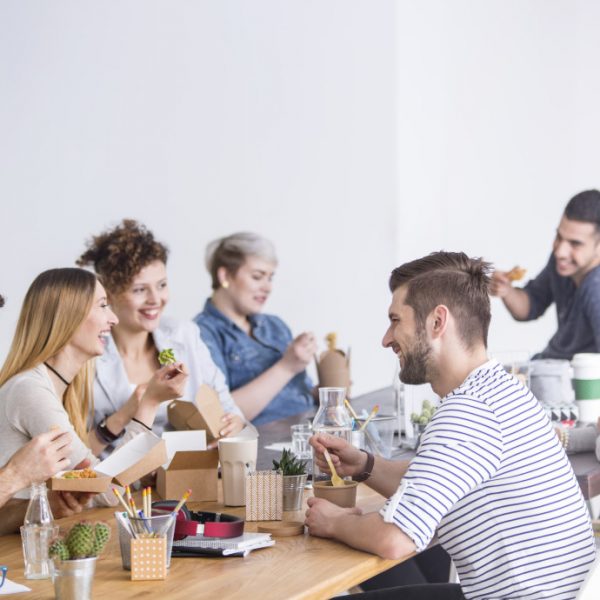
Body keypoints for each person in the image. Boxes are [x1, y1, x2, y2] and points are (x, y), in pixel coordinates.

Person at [306, 251, 595, 599]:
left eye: (396, 320)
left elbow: (395, 539)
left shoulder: (469, 411)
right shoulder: (501, 391)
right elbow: (440, 477)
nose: (386, 338)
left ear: (437, 322)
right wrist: (365, 465)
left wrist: (334, 522)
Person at [77, 220, 245, 454]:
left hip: (186, 479)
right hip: (118, 485)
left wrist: (234, 426)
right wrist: (125, 413)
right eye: (139, 289)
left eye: (162, 285)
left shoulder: (184, 335)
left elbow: (232, 412)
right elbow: (75, 456)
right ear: (109, 292)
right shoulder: (87, 353)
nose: (155, 299)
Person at [0, 268, 129, 533]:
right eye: (103, 306)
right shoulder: (29, 390)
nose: (113, 319)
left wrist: (50, 506)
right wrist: (146, 407)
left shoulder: (53, 388)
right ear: (67, 317)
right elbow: (109, 491)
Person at [194, 232, 316, 426]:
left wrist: (329, 390)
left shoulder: (275, 325)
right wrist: (286, 367)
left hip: (310, 432)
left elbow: (303, 393)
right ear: (224, 275)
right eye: (257, 276)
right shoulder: (200, 334)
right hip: (265, 446)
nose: (267, 287)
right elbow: (218, 417)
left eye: (270, 278)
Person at [490, 189, 600, 359]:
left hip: (568, 380)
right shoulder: (563, 264)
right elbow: (531, 304)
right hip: (547, 366)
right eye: (559, 237)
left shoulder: (596, 288)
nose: (561, 252)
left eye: (575, 243)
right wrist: (507, 291)